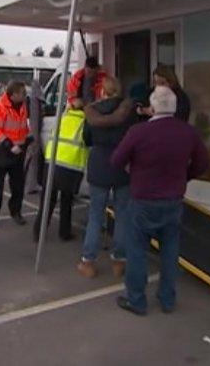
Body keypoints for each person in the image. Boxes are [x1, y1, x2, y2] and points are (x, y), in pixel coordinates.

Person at [111, 86, 210, 316]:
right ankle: (167, 299)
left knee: (136, 251)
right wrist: (185, 176)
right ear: (174, 108)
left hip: (143, 199)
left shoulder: (138, 132)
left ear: (152, 108)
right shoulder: (188, 132)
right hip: (173, 199)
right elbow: (204, 162)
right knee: (170, 251)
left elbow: (116, 160)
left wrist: (132, 170)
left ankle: (137, 300)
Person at [77, 77, 135, 278]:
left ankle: (88, 261)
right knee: (122, 215)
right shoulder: (129, 111)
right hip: (123, 164)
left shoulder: (93, 111)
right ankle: (119, 261)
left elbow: (86, 139)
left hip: (99, 162)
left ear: (103, 91)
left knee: (95, 215)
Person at [34, 98, 89, 242]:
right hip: (70, 167)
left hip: (51, 163)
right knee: (66, 202)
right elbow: (88, 142)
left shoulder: (60, 119)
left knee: (47, 202)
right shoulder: (84, 123)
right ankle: (64, 232)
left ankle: (38, 232)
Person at [0, 81, 31, 228]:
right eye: (23, 93)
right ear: (14, 95)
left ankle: (16, 211)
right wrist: (9, 145)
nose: (25, 95)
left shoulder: (23, 106)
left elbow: (22, 126)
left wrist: (27, 139)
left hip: (18, 151)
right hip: (0, 151)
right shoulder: (0, 107)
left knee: (18, 186)